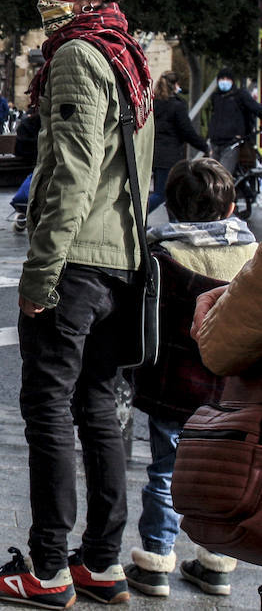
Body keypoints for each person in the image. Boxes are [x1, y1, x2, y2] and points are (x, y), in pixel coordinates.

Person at [0, 0, 153, 608]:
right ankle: (101, 565)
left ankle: (47, 569)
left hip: (77, 264)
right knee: (98, 409)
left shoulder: (77, 55)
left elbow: (72, 177)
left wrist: (40, 276)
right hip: (122, 262)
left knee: (49, 410)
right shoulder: (128, 54)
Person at [123, 158, 251, 598]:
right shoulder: (252, 257)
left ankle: (156, 562)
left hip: (173, 388)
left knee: (165, 472)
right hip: (236, 390)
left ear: (172, 209)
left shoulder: (163, 255)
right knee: (227, 472)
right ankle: (217, 564)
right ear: (232, 207)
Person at [149, 72, 208, 213]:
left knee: (172, 193)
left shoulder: (154, 103)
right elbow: (187, 131)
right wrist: (204, 146)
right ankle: (138, 219)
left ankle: (175, 224)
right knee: (163, 193)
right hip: (170, 156)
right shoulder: (177, 106)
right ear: (175, 85)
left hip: (155, 154)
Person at [205, 68, 261, 177]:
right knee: (212, 176)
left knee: (222, 176)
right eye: (222, 79)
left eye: (227, 79)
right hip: (215, 142)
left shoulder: (240, 95)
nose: (224, 81)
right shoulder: (216, 97)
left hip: (231, 143)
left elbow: (255, 108)